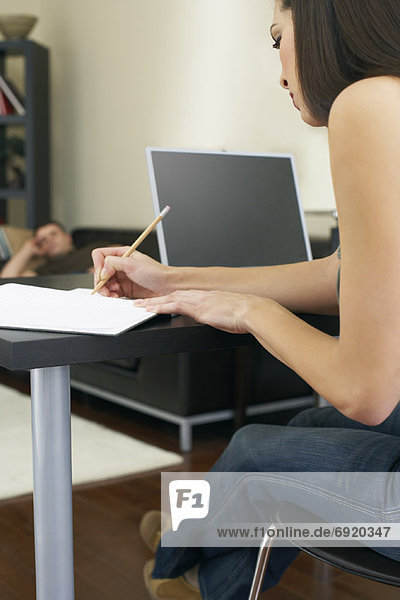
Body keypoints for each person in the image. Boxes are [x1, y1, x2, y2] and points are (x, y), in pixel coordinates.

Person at [91, 0, 400, 598]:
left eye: (277, 39)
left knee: (261, 451)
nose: (282, 72)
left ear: (322, 26)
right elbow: (342, 273)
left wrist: (251, 312)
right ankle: (191, 538)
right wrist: (175, 281)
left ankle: (183, 572)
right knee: (309, 424)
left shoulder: (370, 103)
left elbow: (366, 392)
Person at [1, 221, 97, 277]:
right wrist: (27, 249)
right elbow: (6, 279)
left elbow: (112, 251)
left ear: (68, 237)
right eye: (43, 239)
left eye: (53, 234)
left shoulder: (93, 248)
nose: (49, 240)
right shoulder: (44, 271)